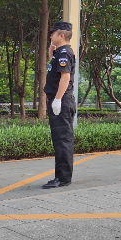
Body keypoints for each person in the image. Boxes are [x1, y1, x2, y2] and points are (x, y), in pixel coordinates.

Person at [42, 22, 77, 189]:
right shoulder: (59, 52)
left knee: (63, 140)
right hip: (59, 101)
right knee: (59, 140)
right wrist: (51, 45)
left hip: (61, 102)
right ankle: (61, 176)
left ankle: (63, 179)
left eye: (53, 34)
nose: (50, 36)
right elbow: (51, 57)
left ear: (61, 35)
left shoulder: (64, 52)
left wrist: (57, 99)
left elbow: (65, 77)